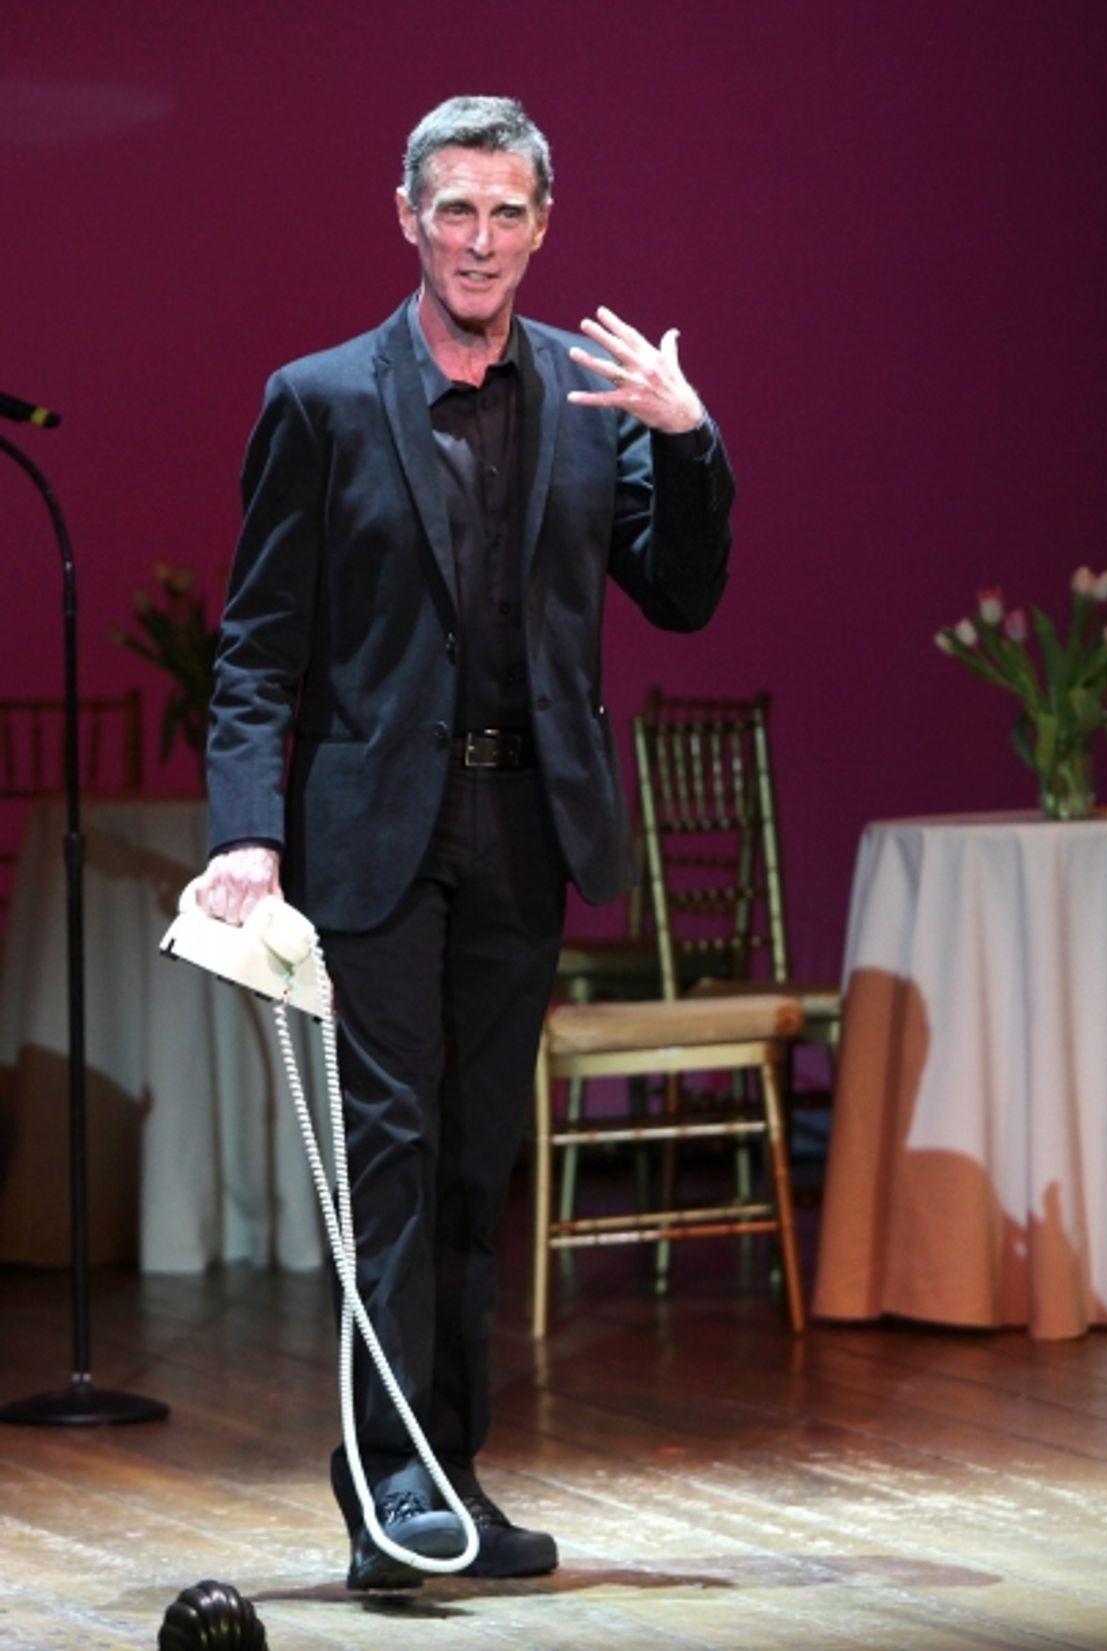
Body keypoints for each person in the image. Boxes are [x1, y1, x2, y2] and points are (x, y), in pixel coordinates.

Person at [196, 95, 734, 1590]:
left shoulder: (591, 396)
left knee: (477, 1161)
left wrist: (688, 441)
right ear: (408, 218)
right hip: (372, 834)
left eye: (506, 213)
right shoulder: (319, 400)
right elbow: (256, 647)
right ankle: (388, 1491)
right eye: (455, 210)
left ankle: (452, 1480)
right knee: (394, 1158)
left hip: (524, 824)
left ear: (543, 226)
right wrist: (248, 831)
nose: (480, 240)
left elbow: (682, 594)